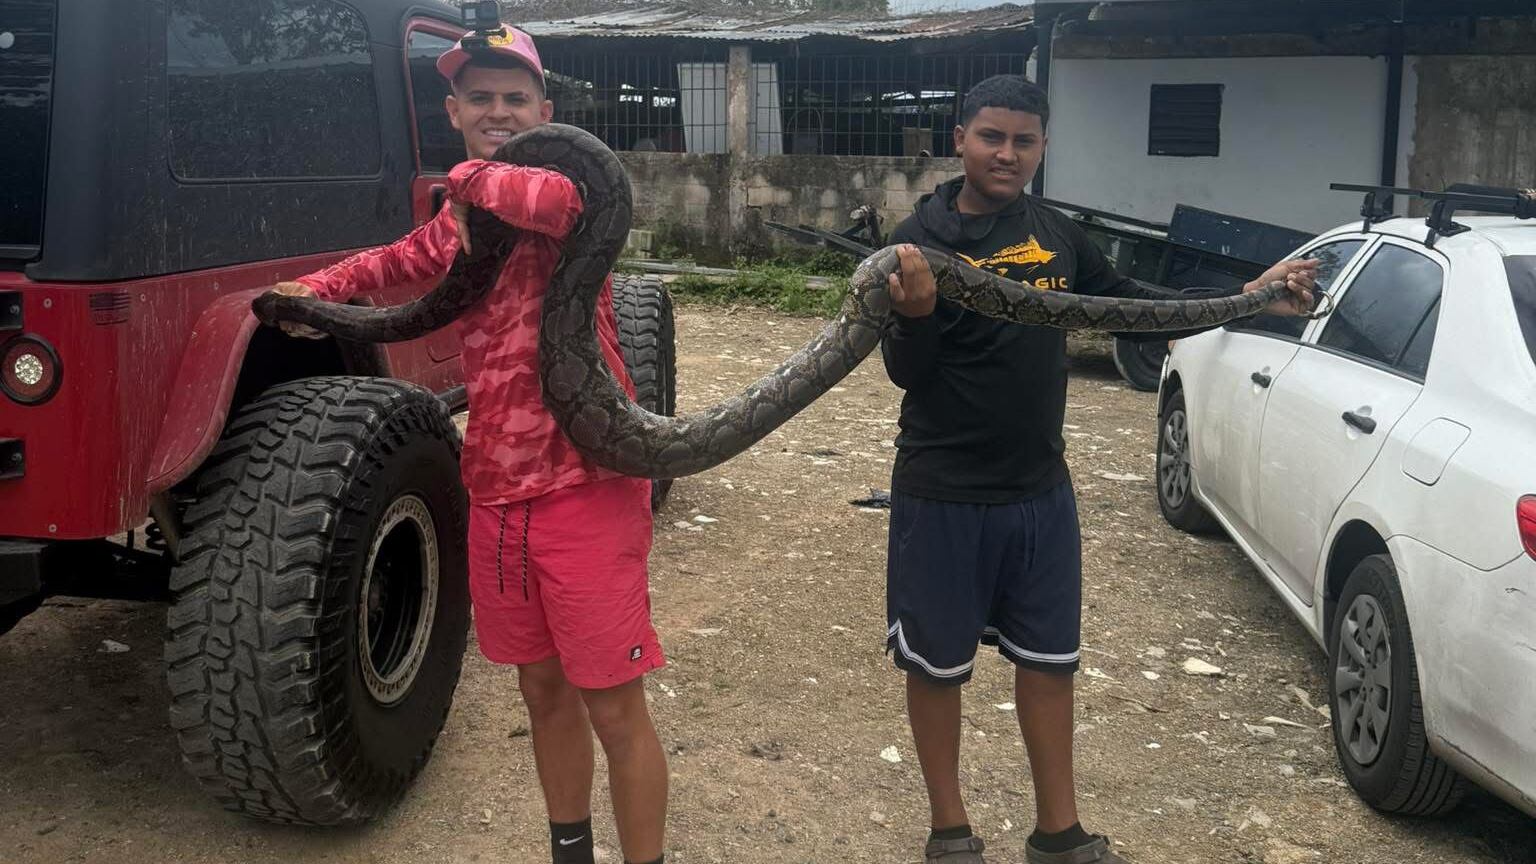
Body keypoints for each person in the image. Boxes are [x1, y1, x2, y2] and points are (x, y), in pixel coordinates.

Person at [879, 74, 1317, 864]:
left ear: (1042, 148)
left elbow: (1132, 305)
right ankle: (949, 830)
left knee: (1049, 665)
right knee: (937, 669)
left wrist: (1247, 299)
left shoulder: (1059, 233)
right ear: (960, 140)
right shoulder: (920, 242)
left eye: (1023, 140)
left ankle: (1059, 833)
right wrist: (912, 317)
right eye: (990, 136)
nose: (1005, 153)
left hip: (1041, 491)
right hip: (942, 491)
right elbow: (907, 374)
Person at [266, 27, 668, 864]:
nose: (496, 110)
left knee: (612, 705)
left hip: (586, 485)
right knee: (542, 688)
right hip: (496, 488)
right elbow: (394, 264)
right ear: (452, 110)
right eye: (479, 98)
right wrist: (319, 290)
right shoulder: (461, 220)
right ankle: (570, 850)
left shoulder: (559, 192)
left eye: (514, 98)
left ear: (545, 113)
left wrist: (470, 174)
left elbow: (549, 204)